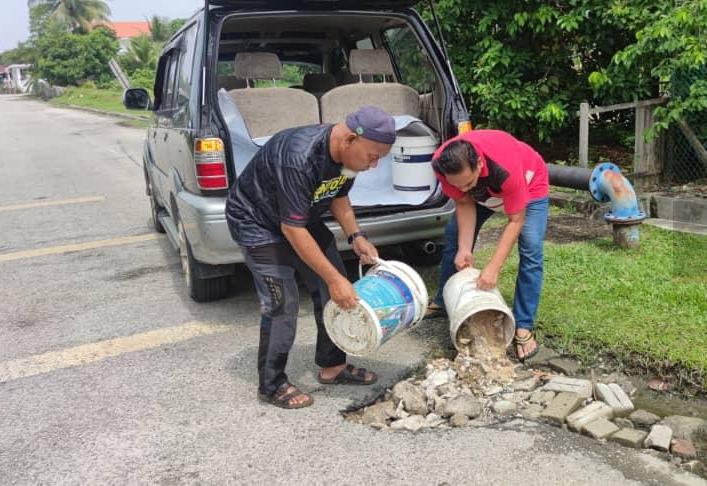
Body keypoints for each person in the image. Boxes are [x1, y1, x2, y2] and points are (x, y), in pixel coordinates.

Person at [225, 106, 395, 409]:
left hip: (301, 219)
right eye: (372, 157)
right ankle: (271, 383)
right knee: (283, 303)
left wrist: (356, 236)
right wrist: (334, 279)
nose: (373, 165)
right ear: (350, 140)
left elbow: (338, 195)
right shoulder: (298, 158)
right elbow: (292, 230)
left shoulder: (347, 157)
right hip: (257, 222)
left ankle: (332, 366)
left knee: (335, 292)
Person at [425, 130, 549, 362]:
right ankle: (444, 300)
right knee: (454, 234)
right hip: (485, 192)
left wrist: (493, 267)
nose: (462, 188)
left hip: (529, 184)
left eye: (467, 182)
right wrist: (464, 248)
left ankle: (523, 326)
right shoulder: (442, 165)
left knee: (531, 247)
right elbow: (463, 202)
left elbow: (515, 220)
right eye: (457, 185)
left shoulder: (506, 168)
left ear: (479, 164)